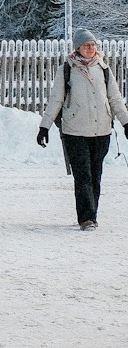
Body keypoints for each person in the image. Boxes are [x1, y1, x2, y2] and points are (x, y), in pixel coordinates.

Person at [37, 28, 128, 230]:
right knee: (83, 175)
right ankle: (86, 218)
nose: (91, 48)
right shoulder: (67, 69)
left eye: (93, 44)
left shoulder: (104, 68)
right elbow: (56, 99)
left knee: (96, 175)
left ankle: (92, 214)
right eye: (86, 45)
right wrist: (45, 126)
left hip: (101, 131)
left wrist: (125, 122)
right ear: (78, 48)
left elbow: (115, 99)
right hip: (75, 132)